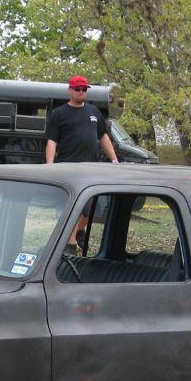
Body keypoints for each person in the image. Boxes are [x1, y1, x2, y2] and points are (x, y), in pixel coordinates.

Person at [45, 75, 119, 252]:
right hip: (67, 169)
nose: (81, 92)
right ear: (70, 90)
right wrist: (49, 167)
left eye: (84, 89)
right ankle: (70, 244)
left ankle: (73, 235)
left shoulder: (94, 111)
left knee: (92, 209)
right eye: (77, 89)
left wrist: (114, 159)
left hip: (90, 169)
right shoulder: (59, 114)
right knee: (73, 208)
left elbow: (103, 136)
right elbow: (51, 142)